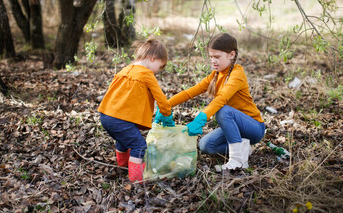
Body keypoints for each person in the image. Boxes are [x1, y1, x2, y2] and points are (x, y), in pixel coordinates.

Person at [156, 33, 265, 170]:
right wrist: (165, 105)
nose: (213, 61)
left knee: (223, 110)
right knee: (206, 146)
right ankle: (244, 147)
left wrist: (201, 118)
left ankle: (238, 161)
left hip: (253, 127)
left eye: (217, 57)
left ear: (231, 55)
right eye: (212, 57)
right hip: (235, 128)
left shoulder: (237, 74)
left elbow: (221, 99)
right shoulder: (215, 75)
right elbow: (190, 92)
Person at [98, 36, 174, 183]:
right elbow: (161, 99)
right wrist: (167, 114)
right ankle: (137, 179)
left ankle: (123, 165)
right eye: (159, 66)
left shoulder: (126, 69)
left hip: (106, 115)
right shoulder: (147, 74)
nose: (157, 71)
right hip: (120, 119)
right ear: (153, 58)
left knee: (123, 139)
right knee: (139, 145)